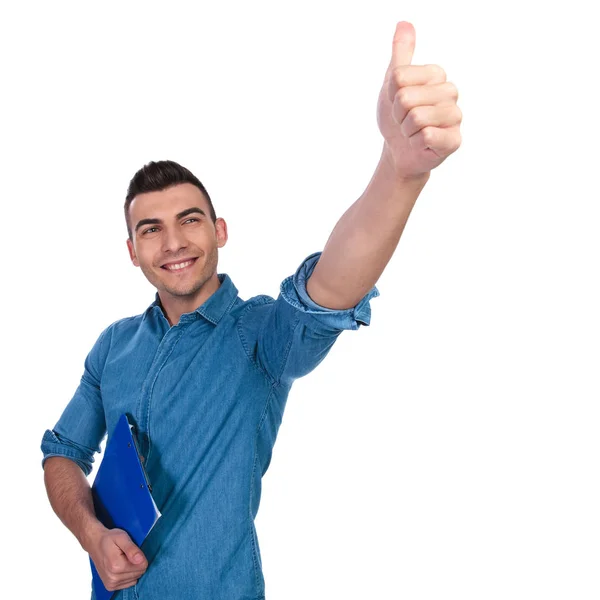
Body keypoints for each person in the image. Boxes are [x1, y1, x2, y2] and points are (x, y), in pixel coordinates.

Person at [41, 20, 461, 600]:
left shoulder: (258, 333)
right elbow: (62, 453)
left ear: (219, 231)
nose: (174, 243)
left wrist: (399, 173)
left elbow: (330, 288)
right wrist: (91, 535)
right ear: (132, 250)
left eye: (189, 220)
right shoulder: (113, 345)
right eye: (151, 229)